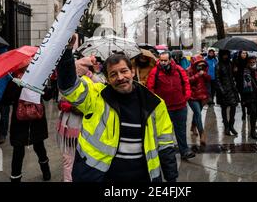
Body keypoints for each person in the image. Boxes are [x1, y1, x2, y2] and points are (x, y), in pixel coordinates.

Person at [57, 46, 178, 182]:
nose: (120, 77)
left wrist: (171, 178)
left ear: (132, 72)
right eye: (113, 74)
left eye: (124, 71)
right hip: (100, 176)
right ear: (107, 79)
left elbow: (166, 144)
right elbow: (69, 87)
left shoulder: (155, 104)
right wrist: (66, 50)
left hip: (143, 177)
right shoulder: (96, 96)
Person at [3, 69, 55, 182]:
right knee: (18, 151)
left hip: (36, 120)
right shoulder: (14, 80)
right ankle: (16, 178)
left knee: (39, 147)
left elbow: (47, 96)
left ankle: (46, 171)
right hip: (20, 123)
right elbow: (6, 99)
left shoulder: (39, 78)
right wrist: (18, 86)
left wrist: (50, 82)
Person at [147, 52, 195, 160]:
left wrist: (186, 96)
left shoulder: (178, 69)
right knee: (163, 133)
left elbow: (186, 83)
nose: (163, 62)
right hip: (164, 109)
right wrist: (155, 103)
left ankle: (184, 151)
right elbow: (150, 88)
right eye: (161, 60)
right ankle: (163, 153)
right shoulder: (155, 72)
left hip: (180, 107)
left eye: (165, 60)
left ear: (170, 60)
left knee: (181, 131)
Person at [241, 56, 257, 139]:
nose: (252, 63)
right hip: (250, 95)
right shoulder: (246, 71)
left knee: (255, 113)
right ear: (248, 63)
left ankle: (253, 129)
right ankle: (252, 131)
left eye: (254, 62)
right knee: (253, 111)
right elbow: (246, 84)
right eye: (251, 62)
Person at [187, 54, 211, 146]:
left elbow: (208, 79)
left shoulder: (204, 70)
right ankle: (202, 135)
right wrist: (197, 75)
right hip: (192, 96)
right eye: (198, 65)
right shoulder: (188, 70)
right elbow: (187, 81)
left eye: (202, 65)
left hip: (202, 96)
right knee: (198, 113)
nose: (200, 66)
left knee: (197, 113)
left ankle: (193, 126)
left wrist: (204, 74)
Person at [215, 50, 240, 136]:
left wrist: (235, 71)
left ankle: (231, 125)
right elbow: (217, 79)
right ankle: (226, 127)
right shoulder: (218, 65)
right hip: (223, 91)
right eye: (224, 55)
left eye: (227, 55)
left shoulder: (230, 64)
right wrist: (222, 90)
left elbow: (234, 76)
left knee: (233, 106)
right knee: (224, 108)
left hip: (232, 89)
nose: (225, 56)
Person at [234, 50, 249, 120]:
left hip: (248, 83)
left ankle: (248, 110)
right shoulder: (236, 62)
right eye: (243, 53)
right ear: (240, 54)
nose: (244, 54)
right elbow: (234, 74)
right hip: (240, 83)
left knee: (248, 98)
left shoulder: (248, 62)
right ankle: (244, 113)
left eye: (245, 53)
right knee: (242, 98)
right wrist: (235, 71)